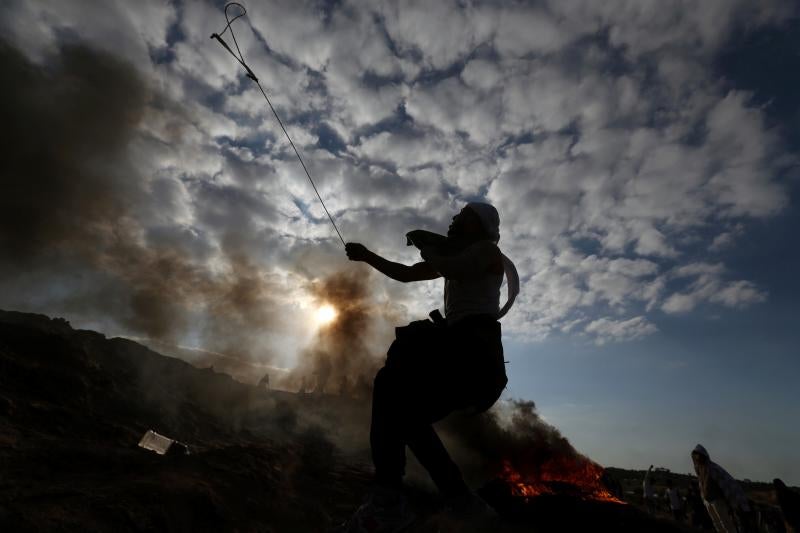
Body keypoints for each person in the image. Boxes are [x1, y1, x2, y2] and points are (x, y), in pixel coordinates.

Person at [337, 203, 519, 532]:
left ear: (477, 226)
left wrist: (427, 244)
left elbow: (451, 266)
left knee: (391, 386)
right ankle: (458, 501)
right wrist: (368, 256)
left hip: (473, 357)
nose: (451, 221)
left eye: (460, 218)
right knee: (405, 414)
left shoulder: (486, 252)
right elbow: (407, 274)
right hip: (461, 356)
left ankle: (390, 502)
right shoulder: (459, 254)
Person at [691, 444, 751, 533]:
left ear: (703, 455)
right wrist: (704, 498)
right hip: (708, 501)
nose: (697, 457)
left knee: (725, 522)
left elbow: (724, 484)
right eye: (695, 455)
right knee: (716, 523)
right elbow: (701, 483)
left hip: (717, 500)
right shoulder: (699, 469)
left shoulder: (712, 468)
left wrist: (728, 499)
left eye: (698, 455)